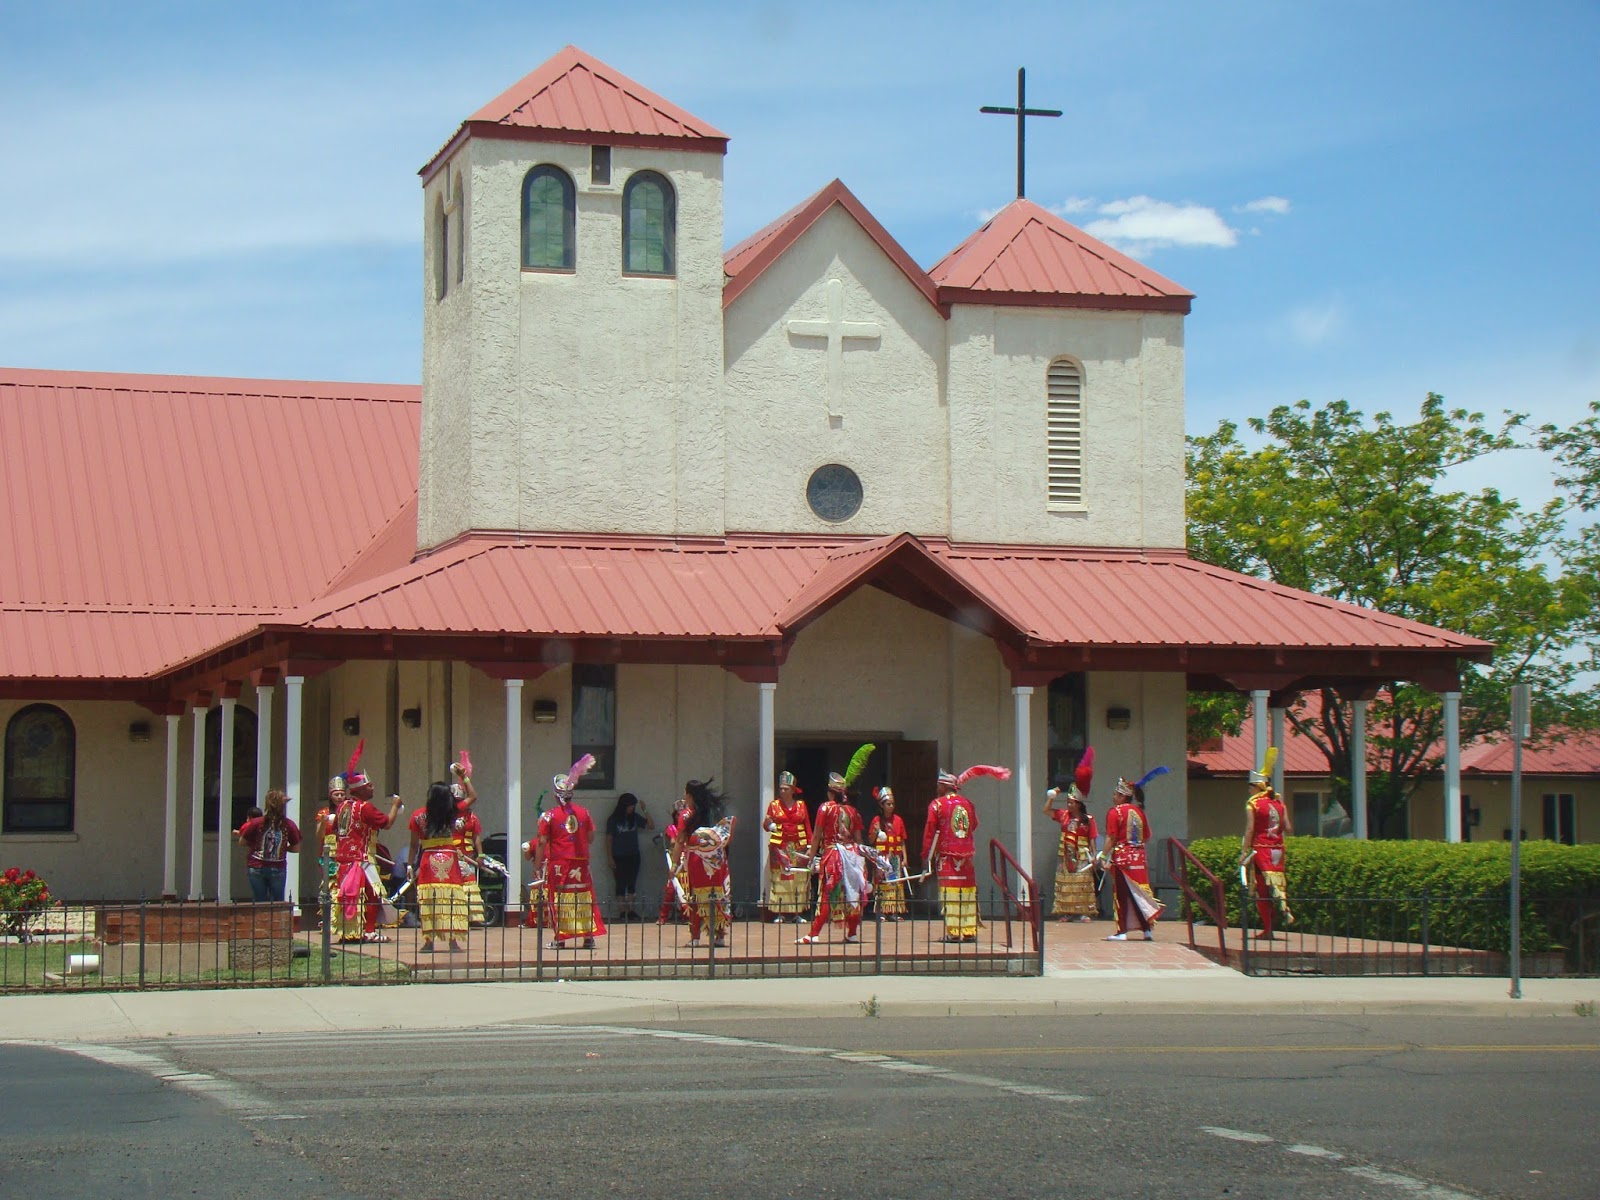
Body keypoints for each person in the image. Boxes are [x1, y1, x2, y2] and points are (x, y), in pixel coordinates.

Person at [922, 764, 1010, 943]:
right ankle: (969, 931)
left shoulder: (936, 805)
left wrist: (926, 855)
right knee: (967, 891)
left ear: (945, 786)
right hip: (967, 856)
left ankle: (954, 932)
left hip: (947, 856)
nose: (936, 788)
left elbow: (930, 831)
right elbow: (974, 824)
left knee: (951, 892)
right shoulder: (968, 804)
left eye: (939, 785)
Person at [531, 756, 607, 950]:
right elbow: (590, 838)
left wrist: (537, 866)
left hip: (560, 863)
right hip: (581, 862)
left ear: (556, 796)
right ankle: (588, 938)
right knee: (583, 897)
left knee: (559, 899)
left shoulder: (549, 816)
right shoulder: (584, 813)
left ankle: (560, 939)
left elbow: (541, 842)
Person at [330, 744, 403, 943]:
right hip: (362, 859)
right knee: (372, 894)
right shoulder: (365, 807)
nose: (373, 788)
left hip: (344, 859)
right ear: (360, 789)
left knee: (349, 895)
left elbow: (337, 829)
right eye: (369, 786)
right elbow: (387, 823)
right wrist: (395, 807)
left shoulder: (342, 806)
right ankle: (368, 930)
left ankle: (350, 931)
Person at [1101, 769, 1167, 941]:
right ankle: (1147, 929)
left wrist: (1103, 855)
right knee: (1139, 894)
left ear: (1123, 796)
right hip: (1139, 857)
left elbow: (1112, 836)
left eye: (1116, 794)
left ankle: (1122, 930)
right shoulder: (1139, 812)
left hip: (1122, 859)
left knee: (1122, 894)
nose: (1113, 797)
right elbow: (1146, 837)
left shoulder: (1115, 812)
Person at [408, 781, 468, 953]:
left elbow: (413, 845)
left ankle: (429, 941)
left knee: (428, 901)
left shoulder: (418, 816)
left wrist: (410, 865)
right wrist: (464, 778)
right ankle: (452, 941)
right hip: (449, 859)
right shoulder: (452, 814)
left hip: (428, 859)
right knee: (452, 901)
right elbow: (473, 797)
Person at [1240, 750, 1294, 939]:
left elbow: (1249, 830)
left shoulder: (1253, 804)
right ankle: (1282, 909)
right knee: (1277, 886)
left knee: (1261, 890)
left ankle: (1269, 927)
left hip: (1261, 850)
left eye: (1250, 787)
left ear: (1257, 787)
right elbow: (1288, 828)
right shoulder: (1279, 803)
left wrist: (1243, 852)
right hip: (1278, 850)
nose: (1249, 790)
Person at [675, 778, 733, 947]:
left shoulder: (686, 815)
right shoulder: (717, 811)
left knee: (696, 896)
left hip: (697, 860)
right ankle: (720, 935)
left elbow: (680, 841)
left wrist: (673, 865)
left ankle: (695, 937)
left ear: (689, 795)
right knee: (719, 894)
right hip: (717, 860)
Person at [1044, 748, 1098, 922]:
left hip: (1082, 854)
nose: (1068, 805)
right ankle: (1066, 912)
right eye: (1067, 802)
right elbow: (1046, 810)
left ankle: (1083, 912)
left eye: (1071, 802)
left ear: (1079, 804)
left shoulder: (1088, 820)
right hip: (1065, 854)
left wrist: (1094, 856)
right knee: (1066, 883)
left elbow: (1092, 839)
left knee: (1082, 884)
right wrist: (1053, 796)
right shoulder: (1063, 815)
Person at [235, 790, 302, 903]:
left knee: (260, 902)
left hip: (256, 866)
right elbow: (296, 848)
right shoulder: (289, 825)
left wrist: (256, 845)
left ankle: (261, 921)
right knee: (277, 903)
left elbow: (242, 842)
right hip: (278, 867)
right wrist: (281, 848)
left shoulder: (256, 823)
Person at [762, 772, 811, 923]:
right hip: (780, 847)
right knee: (780, 877)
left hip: (798, 848)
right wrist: (770, 825)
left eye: (785, 788)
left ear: (793, 789)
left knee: (798, 878)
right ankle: (780, 913)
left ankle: (797, 912)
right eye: (781, 788)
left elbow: (807, 825)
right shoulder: (774, 806)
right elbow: (766, 824)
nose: (782, 791)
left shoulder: (801, 806)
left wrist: (810, 845)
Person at [604, 792, 653, 921]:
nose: (632, 808)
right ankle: (622, 911)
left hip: (633, 854)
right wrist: (610, 857)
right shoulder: (613, 820)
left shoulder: (635, 818)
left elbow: (650, 826)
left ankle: (631, 909)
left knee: (632, 883)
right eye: (630, 806)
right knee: (620, 883)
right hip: (619, 855)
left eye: (633, 806)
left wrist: (645, 810)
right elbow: (608, 839)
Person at [449, 763, 485, 925]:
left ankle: (472, 917)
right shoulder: (448, 813)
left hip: (468, 855)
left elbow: (476, 837)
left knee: (470, 885)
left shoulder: (471, 817)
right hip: (450, 854)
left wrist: (481, 855)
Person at [867, 786, 908, 920]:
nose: (891, 806)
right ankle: (881, 912)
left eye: (892, 804)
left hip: (895, 858)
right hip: (881, 858)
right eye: (888, 804)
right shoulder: (876, 821)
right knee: (881, 884)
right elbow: (871, 840)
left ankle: (893, 912)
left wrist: (904, 858)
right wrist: (875, 831)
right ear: (882, 805)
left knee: (895, 883)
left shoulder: (899, 820)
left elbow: (902, 841)